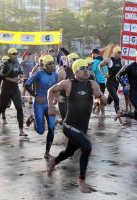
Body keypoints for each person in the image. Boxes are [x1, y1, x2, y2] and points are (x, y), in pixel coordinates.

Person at [47, 59, 107, 193]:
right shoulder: (68, 83)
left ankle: (54, 162)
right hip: (69, 125)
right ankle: (82, 180)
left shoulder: (92, 84)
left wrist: (100, 95)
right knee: (87, 147)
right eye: (82, 68)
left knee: (69, 152)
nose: (86, 70)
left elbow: (105, 102)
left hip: (82, 127)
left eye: (87, 68)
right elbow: (51, 91)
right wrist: (51, 106)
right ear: (75, 71)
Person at [24, 55, 58, 159]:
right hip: (39, 104)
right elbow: (27, 84)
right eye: (50, 64)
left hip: (49, 104)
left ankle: (47, 152)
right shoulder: (39, 74)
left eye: (53, 63)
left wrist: (57, 97)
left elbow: (55, 88)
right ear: (45, 65)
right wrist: (35, 96)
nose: (53, 66)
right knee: (40, 131)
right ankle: (33, 118)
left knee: (52, 127)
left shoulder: (55, 75)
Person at [0, 48, 26, 136]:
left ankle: (21, 130)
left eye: (16, 53)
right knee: (2, 108)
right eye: (13, 54)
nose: (15, 55)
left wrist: (20, 78)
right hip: (5, 88)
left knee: (19, 108)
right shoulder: (5, 64)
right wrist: (11, 79)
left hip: (15, 88)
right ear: (9, 55)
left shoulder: (17, 63)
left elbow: (21, 73)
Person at [99, 47, 124, 123]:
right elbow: (100, 65)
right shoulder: (109, 60)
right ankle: (119, 118)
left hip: (116, 83)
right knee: (116, 99)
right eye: (118, 52)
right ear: (115, 53)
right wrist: (104, 74)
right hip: (109, 83)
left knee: (108, 102)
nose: (120, 54)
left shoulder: (122, 61)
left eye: (120, 52)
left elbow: (121, 72)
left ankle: (97, 103)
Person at [57, 53, 78, 121]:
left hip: (75, 101)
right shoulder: (62, 72)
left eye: (77, 59)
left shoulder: (79, 72)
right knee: (66, 120)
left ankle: (59, 122)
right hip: (64, 100)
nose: (76, 61)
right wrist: (57, 96)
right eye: (74, 59)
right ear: (68, 61)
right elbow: (54, 86)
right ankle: (60, 122)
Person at [91, 49, 107, 116]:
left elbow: (92, 71)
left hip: (98, 81)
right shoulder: (103, 60)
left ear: (93, 53)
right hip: (104, 81)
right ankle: (98, 111)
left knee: (99, 97)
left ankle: (102, 113)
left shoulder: (95, 61)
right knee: (99, 96)